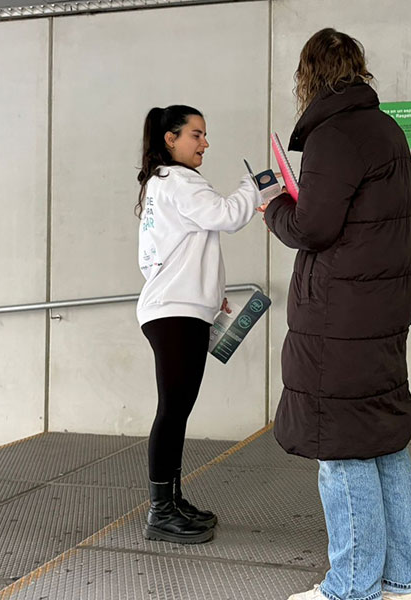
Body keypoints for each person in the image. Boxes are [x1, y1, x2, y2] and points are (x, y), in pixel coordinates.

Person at [263, 29, 411, 600]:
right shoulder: (386, 130)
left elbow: (314, 229)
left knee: (340, 444)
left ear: (310, 75)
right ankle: (402, 582)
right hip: (381, 312)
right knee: (384, 440)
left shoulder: (334, 135)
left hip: (339, 318)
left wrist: (274, 204)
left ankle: (352, 588)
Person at [135, 105, 263, 544]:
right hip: (175, 312)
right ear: (170, 139)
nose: (205, 143)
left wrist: (208, 292)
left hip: (177, 308)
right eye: (196, 134)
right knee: (172, 411)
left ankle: (171, 500)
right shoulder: (178, 180)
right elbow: (227, 216)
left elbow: (177, 251)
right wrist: (256, 185)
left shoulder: (162, 184)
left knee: (177, 411)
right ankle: (160, 512)